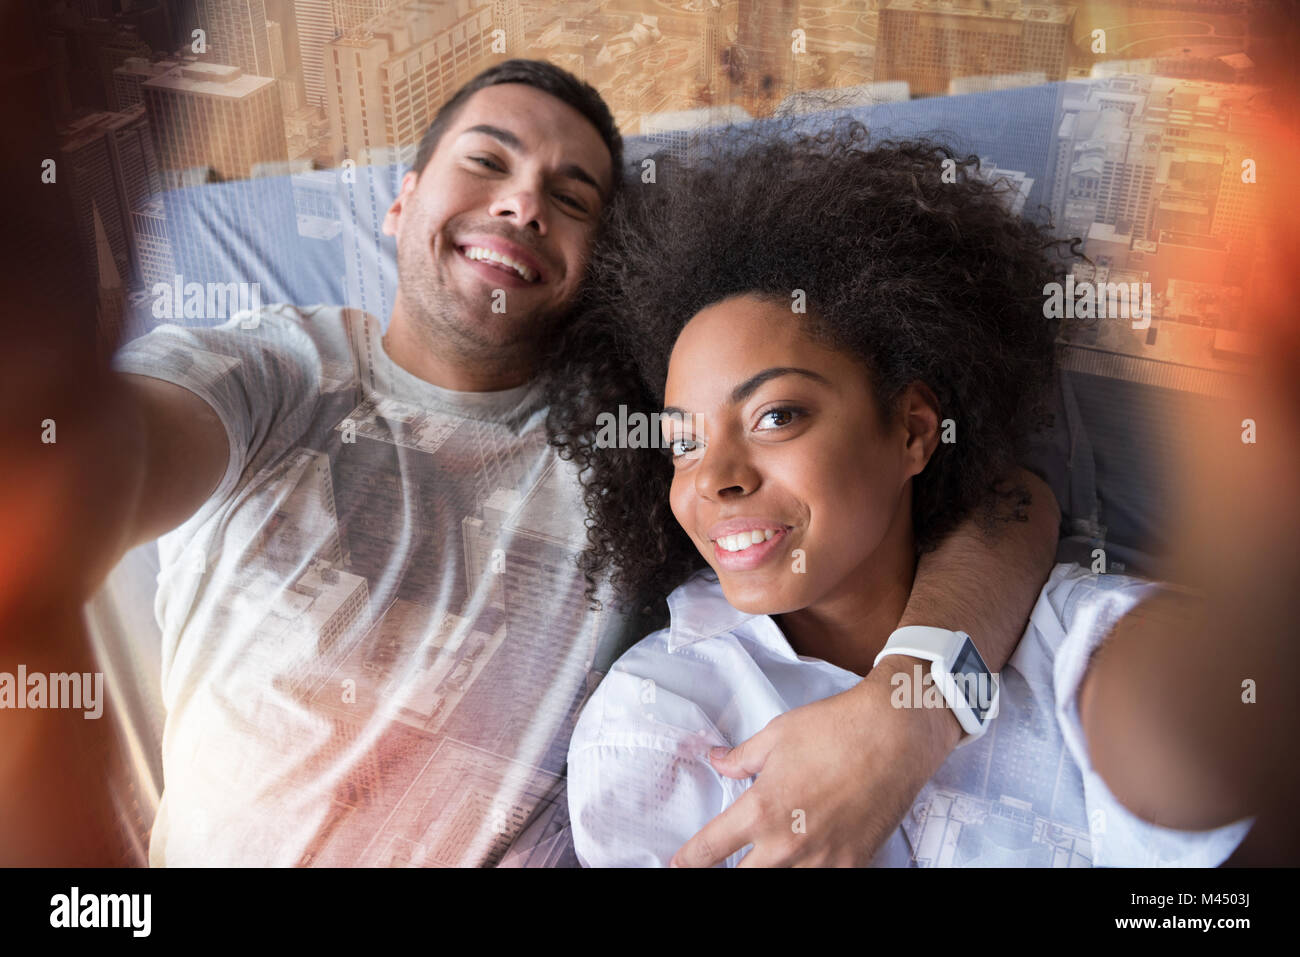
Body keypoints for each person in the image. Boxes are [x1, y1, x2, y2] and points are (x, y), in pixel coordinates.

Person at [1, 62, 1059, 867]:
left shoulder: (655, 439)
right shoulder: (264, 375)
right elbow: (111, 454)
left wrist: (909, 715)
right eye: (486, 160)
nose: (522, 204)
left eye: (572, 195)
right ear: (400, 202)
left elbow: (1005, 501)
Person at [554, 123, 1254, 866]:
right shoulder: (655, 723)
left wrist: (909, 712)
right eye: (683, 442)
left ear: (914, 431)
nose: (714, 476)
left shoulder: (1080, 650)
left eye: (777, 416)